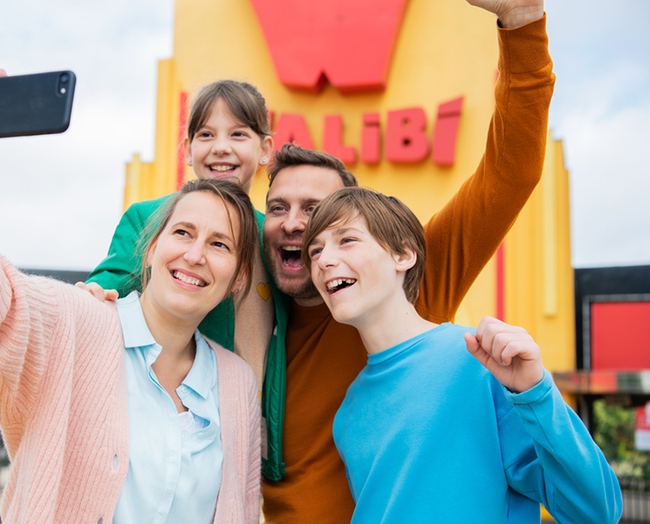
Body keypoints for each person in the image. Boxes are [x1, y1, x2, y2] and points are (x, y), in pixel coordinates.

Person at [0, 67, 261, 522]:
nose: (196, 254)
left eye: (220, 244)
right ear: (151, 249)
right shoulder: (79, 326)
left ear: (238, 277)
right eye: (183, 232)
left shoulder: (236, 382)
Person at [259, 1, 557, 521]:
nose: (295, 224)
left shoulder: (409, 280)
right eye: (278, 207)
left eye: (319, 213)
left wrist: (522, 22)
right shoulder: (247, 310)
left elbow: (510, 174)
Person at [300, 185, 623, 522]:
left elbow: (597, 510)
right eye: (315, 251)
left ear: (403, 255)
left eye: (346, 239)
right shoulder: (348, 413)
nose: (324, 260)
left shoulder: (483, 361)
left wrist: (535, 393)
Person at [86, 79, 275, 386]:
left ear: (265, 149)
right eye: (206, 135)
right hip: (171, 402)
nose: (221, 147)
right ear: (188, 150)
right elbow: (108, 285)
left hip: (255, 417)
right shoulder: (147, 218)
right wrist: (92, 294)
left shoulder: (273, 235)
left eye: (238, 134)